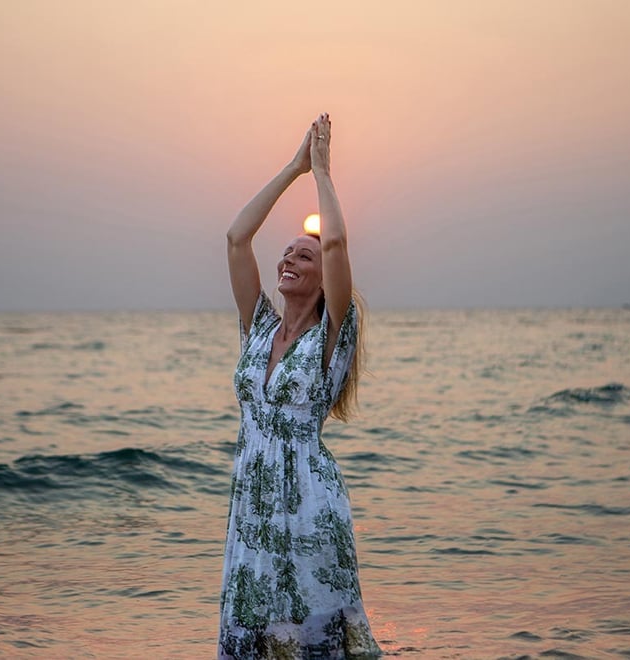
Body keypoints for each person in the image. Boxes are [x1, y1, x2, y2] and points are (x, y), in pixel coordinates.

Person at [218, 113, 382, 659]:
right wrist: (291, 167)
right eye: (287, 252)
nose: (289, 258)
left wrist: (322, 171)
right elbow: (237, 237)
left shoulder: (332, 336)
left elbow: (334, 243)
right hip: (253, 506)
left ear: (320, 280)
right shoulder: (258, 327)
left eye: (302, 255)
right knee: (253, 633)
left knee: (312, 639)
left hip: (309, 504)